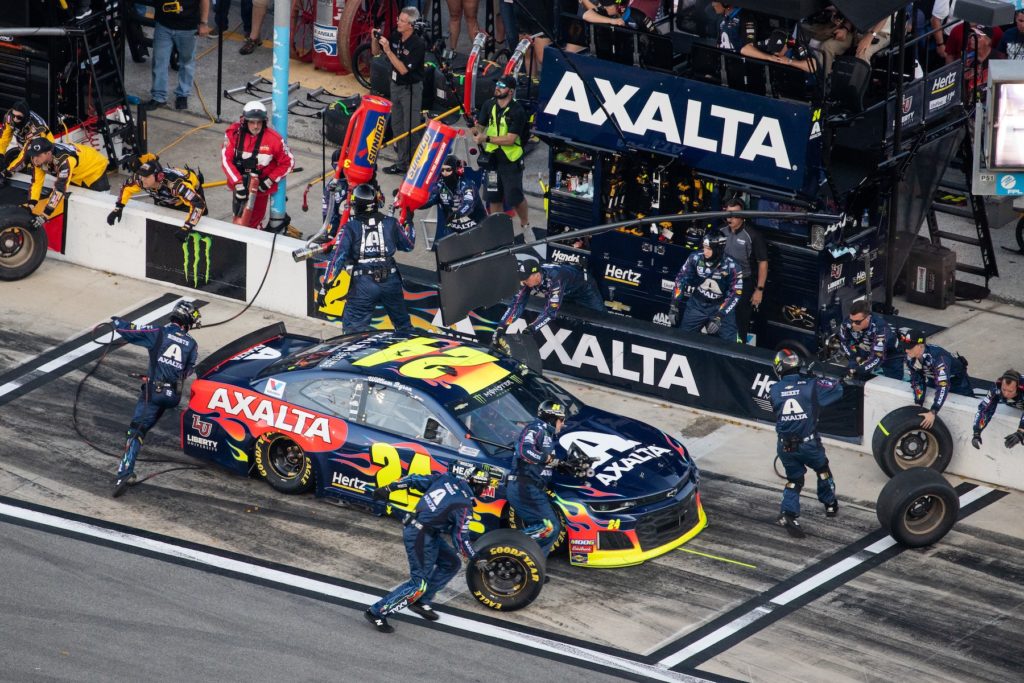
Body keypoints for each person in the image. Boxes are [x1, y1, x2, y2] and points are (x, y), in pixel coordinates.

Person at [365, 460, 491, 633]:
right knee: (418, 584)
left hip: (425, 532)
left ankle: (421, 602)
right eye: (484, 486)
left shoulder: (447, 479)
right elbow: (461, 539)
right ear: (475, 483)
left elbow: (414, 479)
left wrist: (389, 488)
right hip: (420, 535)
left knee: (451, 563)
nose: (485, 491)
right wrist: (476, 558)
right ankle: (377, 612)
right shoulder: (464, 506)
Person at [111, 300, 201, 497]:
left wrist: (117, 323)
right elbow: (185, 372)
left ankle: (123, 473)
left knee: (136, 431)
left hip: (154, 393)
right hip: (172, 397)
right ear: (187, 322)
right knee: (147, 422)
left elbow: (132, 332)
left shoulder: (159, 332)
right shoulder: (193, 345)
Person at [320, 183, 416, 334]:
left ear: (356, 205)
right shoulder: (391, 223)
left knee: (353, 331)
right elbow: (409, 245)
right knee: (404, 326)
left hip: (363, 283)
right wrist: (409, 221)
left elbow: (337, 258)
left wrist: (325, 287)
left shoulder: (350, 227)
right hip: (391, 280)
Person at [768, 348, 843, 538]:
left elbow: (785, 399)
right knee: (823, 470)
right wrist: (812, 378)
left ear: (779, 368)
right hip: (809, 444)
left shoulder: (774, 390)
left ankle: (788, 513)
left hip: (785, 446)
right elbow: (837, 389)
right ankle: (830, 505)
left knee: (794, 481)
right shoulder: (811, 385)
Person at [505, 400, 566, 557]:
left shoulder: (547, 435)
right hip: (523, 487)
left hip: (531, 488)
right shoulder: (535, 429)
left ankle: (535, 565)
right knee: (550, 527)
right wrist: (548, 459)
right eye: (562, 420)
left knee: (550, 528)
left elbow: (543, 462)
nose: (563, 424)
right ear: (552, 419)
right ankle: (506, 547)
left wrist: (562, 465)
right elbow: (524, 452)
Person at [221, 100, 295, 229]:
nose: (256, 126)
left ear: (264, 122)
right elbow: (226, 161)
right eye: (252, 122)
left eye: (259, 122)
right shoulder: (233, 135)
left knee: (254, 221)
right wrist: (238, 184)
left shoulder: (274, 140)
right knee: (239, 220)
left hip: (260, 187)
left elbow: (289, 162)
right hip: (240, 186)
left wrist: (269, 180)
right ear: (245, 121)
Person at [473, 77, 531, 240]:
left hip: (510, 161)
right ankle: (496, 232)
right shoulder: (488, 105)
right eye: (497, 85)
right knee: (493, 196)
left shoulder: (517, 111)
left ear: (510, 91)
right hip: (492, 161)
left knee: (515, 197)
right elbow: (480, 128)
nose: (497, 88)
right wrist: (474, 127)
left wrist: (486, 139)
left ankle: (525, 226)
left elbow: (510, 139)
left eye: (501, 86)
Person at [494, 257, 604, 342]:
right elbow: (516, 305)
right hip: (564, 292)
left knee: (600, 320)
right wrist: (502, 326)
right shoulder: (528, 281)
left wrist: (532, 328)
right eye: (522, 278)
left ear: (537, 275)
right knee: (566, 320)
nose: (523, 282)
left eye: (526, 279)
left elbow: (551, 312)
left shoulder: (555, 278)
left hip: (584, 290)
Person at [374, 7, 426, 175]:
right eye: (398, 19)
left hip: (410, 89)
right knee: (397, 127)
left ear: (410, 25)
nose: (398, 22)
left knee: (410, 129)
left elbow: (404, 69)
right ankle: (402, 163)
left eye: (402, 21)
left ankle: (416, 166)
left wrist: (388, 50)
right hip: (395, 86)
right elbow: (376, 52)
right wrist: (375, 38)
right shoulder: (395, 35)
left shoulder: (418, 44)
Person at [108, 158, 207, 243]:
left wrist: (188, 227)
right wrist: (118, 207)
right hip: (164, 197)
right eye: (141, 175)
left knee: (201, 217)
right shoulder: (140, 179)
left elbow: (198, 204)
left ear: (158, 176)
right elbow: (126, 188)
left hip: (187, 195)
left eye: (146, 176)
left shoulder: (176, 185)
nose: (142, 179)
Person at [669, 233, 742, 342]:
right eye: (704, 247)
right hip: (696, 305)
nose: (705, 251)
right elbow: (681, 279)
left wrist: (719, 316)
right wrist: (674, 304)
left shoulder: (733, 266)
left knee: (731, 344)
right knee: (683, 340)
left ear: (718, 249)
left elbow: (736, 293)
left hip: (720, 307)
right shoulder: (695, 257)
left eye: (709, 249)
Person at [25, 137, 110, 227]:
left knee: (102, 207)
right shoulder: (38, 160)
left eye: (38, 156)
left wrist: (45, 215)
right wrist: (31, 204)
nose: (35, 159)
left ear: (48, 153)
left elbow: (59, 189)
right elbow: (36, 182)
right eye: (33, 155)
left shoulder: (65, 161)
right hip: (76, 173)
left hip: (94, 168)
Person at [144, 0, 210, 111]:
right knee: (159, 60)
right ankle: (158, 96)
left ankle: (182, 95)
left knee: (187, 62)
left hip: (188, 26)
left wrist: (203, 23)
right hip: (164, 23)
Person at [713, 2, 817, 73]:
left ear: (786, 44)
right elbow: (746, 49)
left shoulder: (794, 43)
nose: (777, 56)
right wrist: (769, 57)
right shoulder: (765, 44)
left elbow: (813, 67)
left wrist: (789, 61)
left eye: (779, 51)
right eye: (774, 52)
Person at [901, 328, 973, 430]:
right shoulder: (910, 356)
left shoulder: (939, 358)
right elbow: (917, 381)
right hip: (934, 379)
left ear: (920, 346)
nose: (906, 350)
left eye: (910, 347)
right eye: (906, 347)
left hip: (957, 383)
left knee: (969, 407)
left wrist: (933, 411)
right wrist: (918, 402)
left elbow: (943, 386)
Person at [718, 198, 767, 343]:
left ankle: (739, 351)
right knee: (719, 315)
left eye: (735, 214)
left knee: (740, 321)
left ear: (743, 215)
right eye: (728, 213)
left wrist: (759, 289)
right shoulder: (720, 231)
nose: (730, 218)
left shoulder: (752, 235)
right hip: (722, 281)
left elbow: (763, 263)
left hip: (742, 284)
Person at [421, 155, 486, 246]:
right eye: (442, 170)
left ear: (457, 170)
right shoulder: (439, 187)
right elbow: (428, 202)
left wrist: (456, 214)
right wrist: (411, 203)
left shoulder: (467, 185)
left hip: (476, 229)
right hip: (453, 232)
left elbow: (468, 205)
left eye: (448, 170)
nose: (444, 173)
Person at [837, 300, 904, 380]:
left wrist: (862, 369)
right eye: (851, 320)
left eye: (857, 322)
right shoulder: (847, 322)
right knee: (851, 375)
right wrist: (854, 356)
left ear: (868, 317)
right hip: (866, 349)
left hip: (890, 354)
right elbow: (844, 342)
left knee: (894, 383)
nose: (853, 324)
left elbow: (877, 356)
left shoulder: (881, 329)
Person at [971, 370, 1024, 450]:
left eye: (1010, 391)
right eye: (1004, 389)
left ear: (1018, 387)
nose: (1006, 394)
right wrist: (977, 432)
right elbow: (985, 410)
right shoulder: (996, 388)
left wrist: (1021, 431)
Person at [0, 100, 54, 177]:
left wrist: (8, 171)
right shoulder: (9, 116)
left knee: (39, 166)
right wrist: (0, 154)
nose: (15, 119)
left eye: (18, 117)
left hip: (44, 145)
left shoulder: (36, 128)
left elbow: (26, 154)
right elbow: (4, 137)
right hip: (24, 140)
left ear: (25, 116)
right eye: (13, 115)